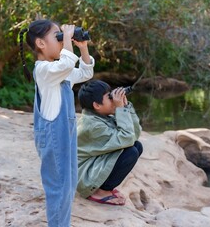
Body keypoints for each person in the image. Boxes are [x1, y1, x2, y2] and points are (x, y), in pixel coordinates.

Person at [19, 19, 95, 226]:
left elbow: (86, 72)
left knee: (68, 186)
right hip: (53, 138)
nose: (62, 41)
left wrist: (83, 48)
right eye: (58, 36)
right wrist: (68, 40)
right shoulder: (43, 70)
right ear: (41, 44)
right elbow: (67, 63)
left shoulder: (60, 70)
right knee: (58, 189)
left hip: (65, 136)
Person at [77, 80, 142, 205]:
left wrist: (126, 107)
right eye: (110, 97)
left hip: (94, 165)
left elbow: (134, 135)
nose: (114, 99)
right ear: (97, 105)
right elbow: (127, 138)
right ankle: (100, 192)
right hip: (85, 177)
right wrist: (121, 110)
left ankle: (105, 187)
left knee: (136, 146)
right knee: (130, 152)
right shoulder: (93, 126)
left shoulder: (102, 116)